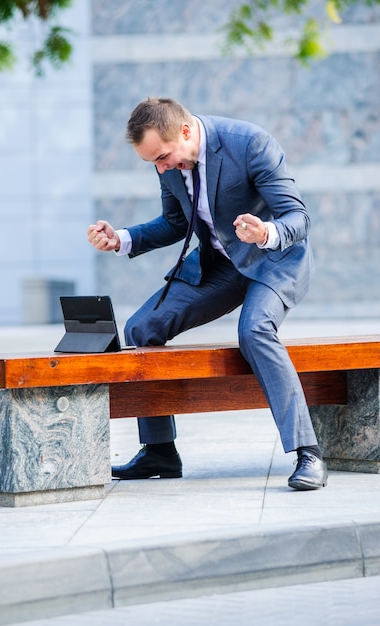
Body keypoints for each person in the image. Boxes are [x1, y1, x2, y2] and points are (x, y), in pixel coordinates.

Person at [87, 97, 328, 491]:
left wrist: (266, 233)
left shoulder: (249, 143)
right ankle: (160, 452)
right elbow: (173, 223)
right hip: (220, 267)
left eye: (163, 157)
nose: (161, 168)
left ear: (185, 132)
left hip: (275, 260)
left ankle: (308, 453)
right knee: (141, 328)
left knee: (255, 332)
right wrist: (122, 238)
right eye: (153, 163)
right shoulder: (168, 160)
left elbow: (298, 218)